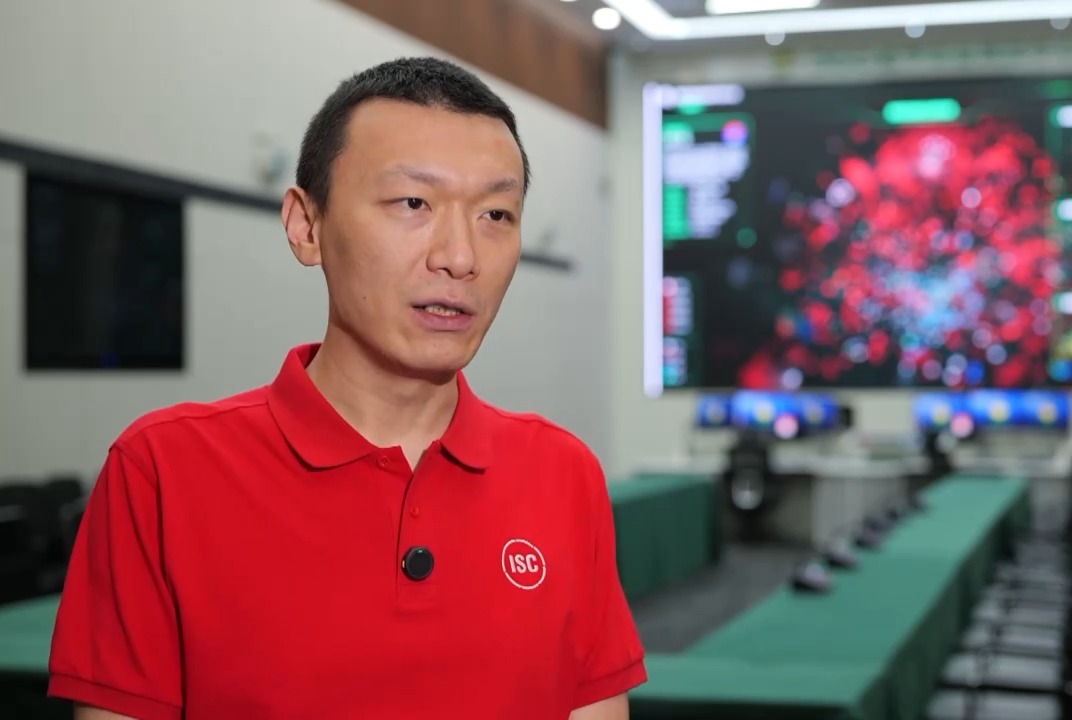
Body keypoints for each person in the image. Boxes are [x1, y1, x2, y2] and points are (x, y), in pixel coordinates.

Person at [47, 57, 647, 720]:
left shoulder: (564, 474)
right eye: (413, 203)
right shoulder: (162, 470)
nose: (460, 257)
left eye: (496, 215)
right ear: (307, 226)